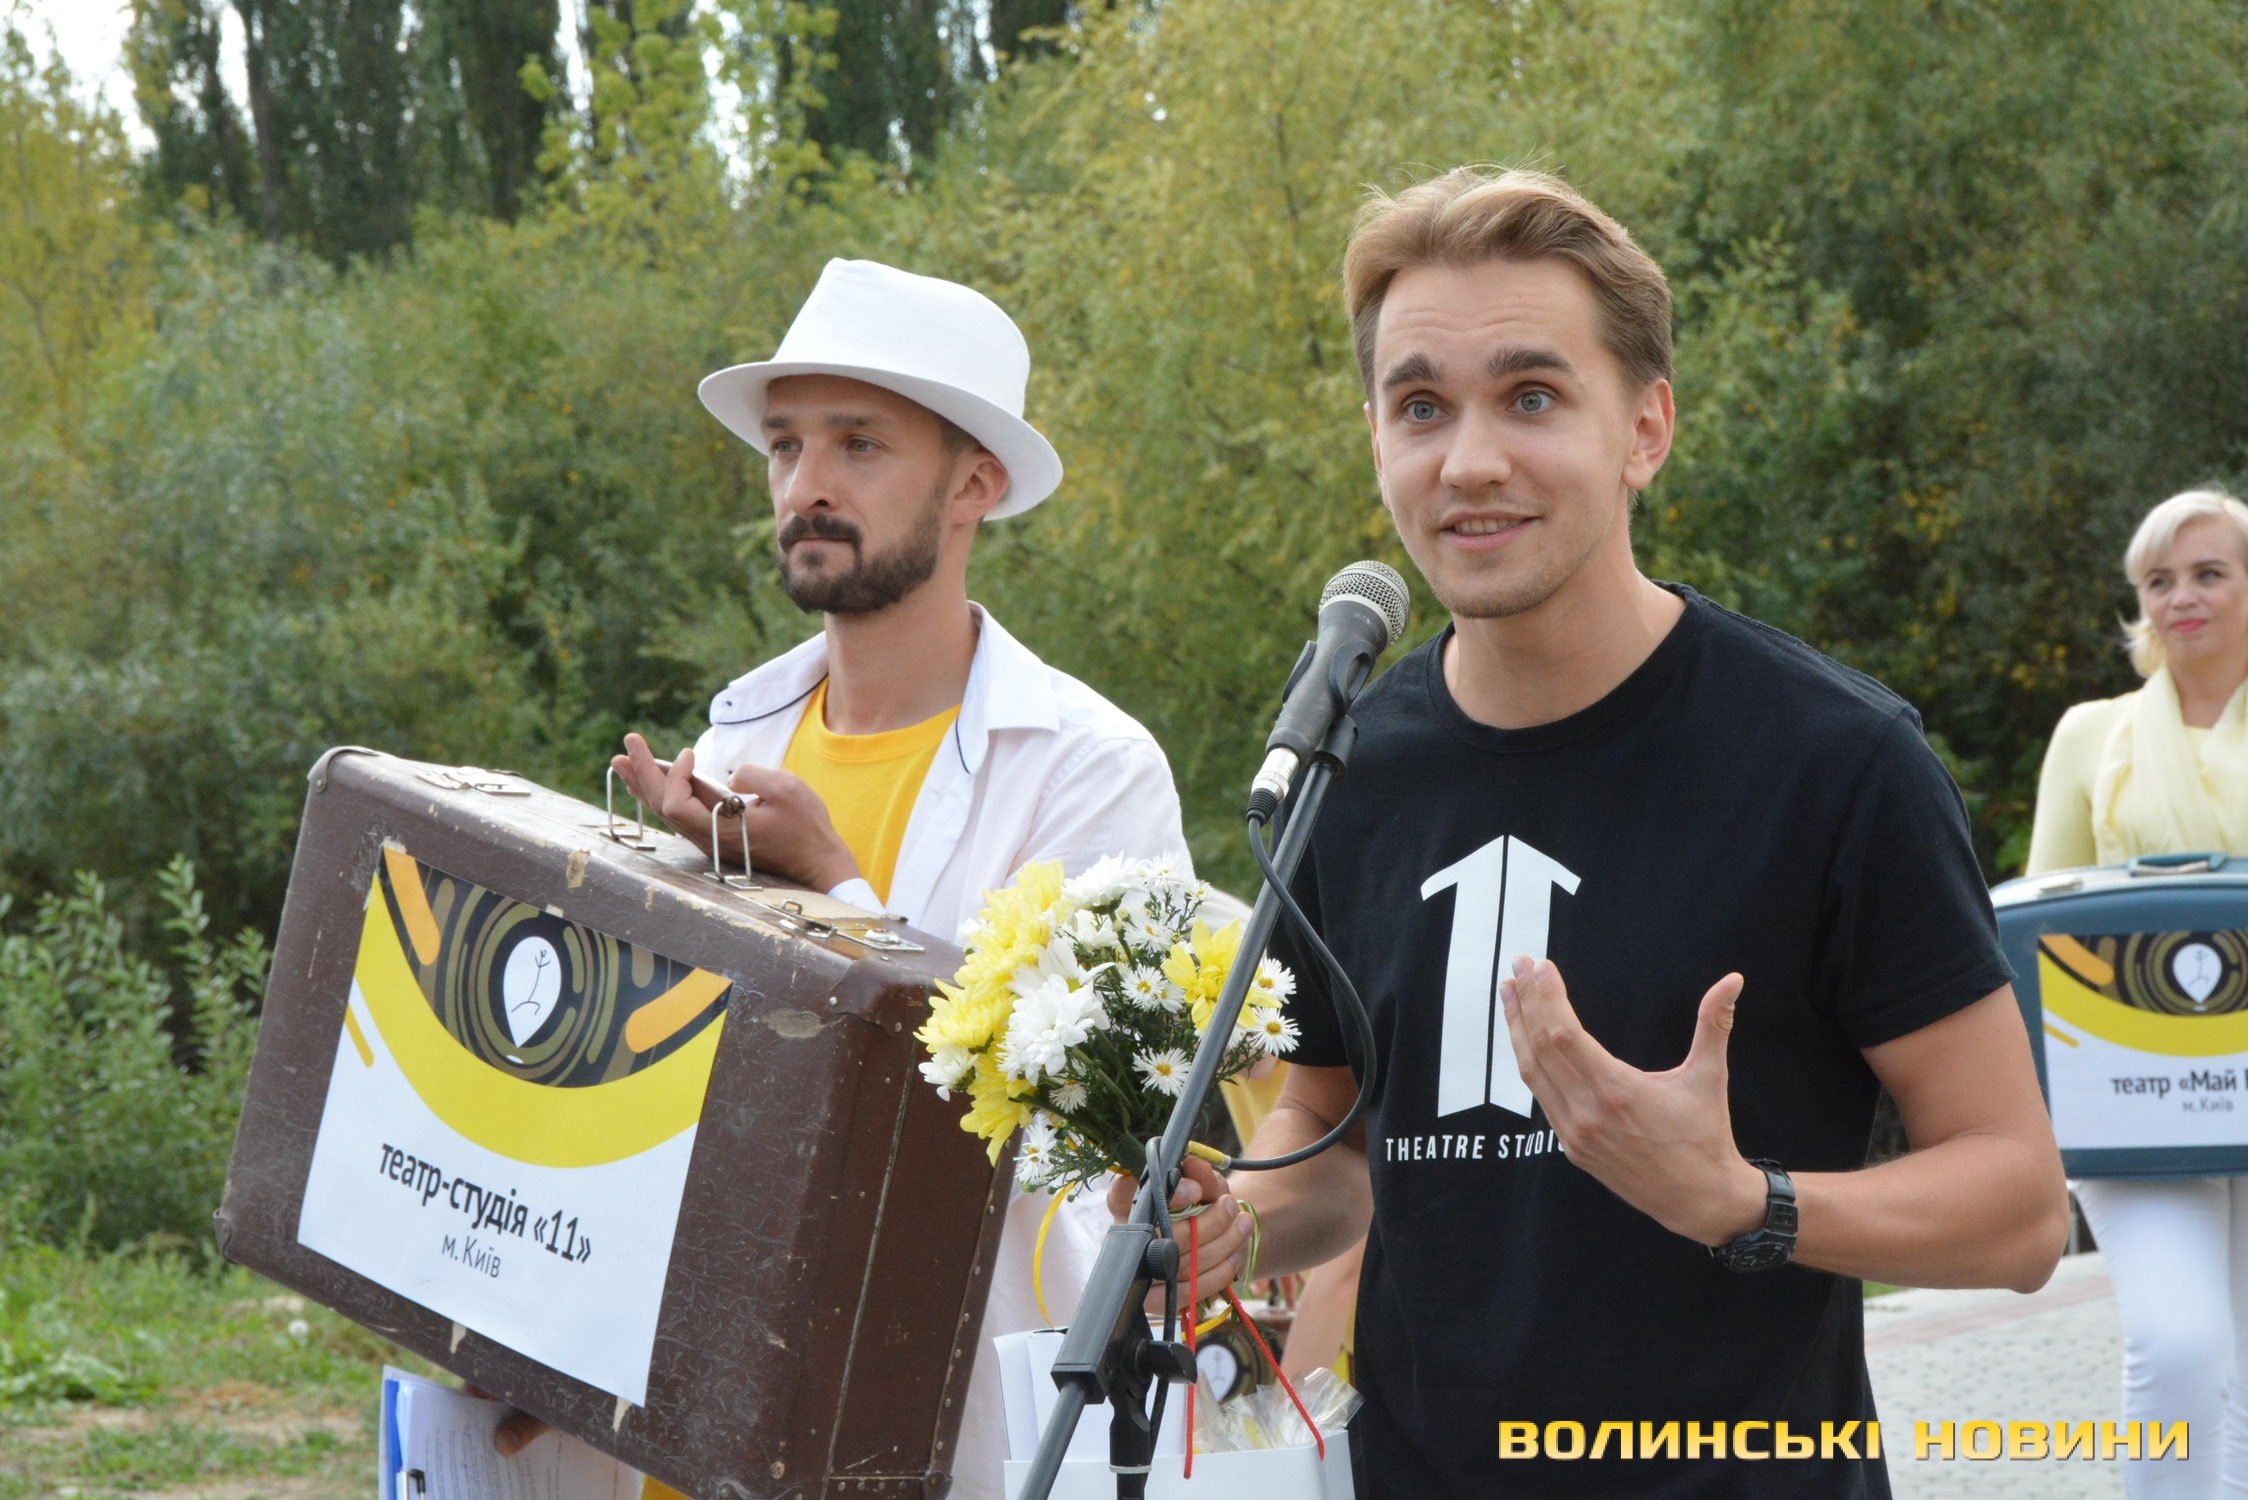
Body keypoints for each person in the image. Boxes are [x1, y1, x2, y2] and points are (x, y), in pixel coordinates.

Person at [1133, 167, 2070, 1497]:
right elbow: (1334, 1142)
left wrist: (1743, 1201)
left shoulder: (1835, 762)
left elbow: (2020, 1211)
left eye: (1531, 396)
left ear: (1645, 428)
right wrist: (1233, 1220)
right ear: (1376, 438)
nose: (1469, 460)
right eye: (1420, 407)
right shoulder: (1346, 769)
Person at [512, 258, 1188, 1500]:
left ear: (974, 484)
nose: (806, 486)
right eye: (785, 445)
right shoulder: (735, 740)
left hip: (939, 1422)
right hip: (711, 1412)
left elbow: (1071, 1143)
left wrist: (828, 884)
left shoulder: (1093, 773)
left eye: (859, 444)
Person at [2027, 485, 2248, 1499]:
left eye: (2208, 573)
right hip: (2133, 1091)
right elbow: (2039, 917)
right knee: (2180, 1342)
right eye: (2159, 579)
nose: (2180, 597)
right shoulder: (2090, 734)